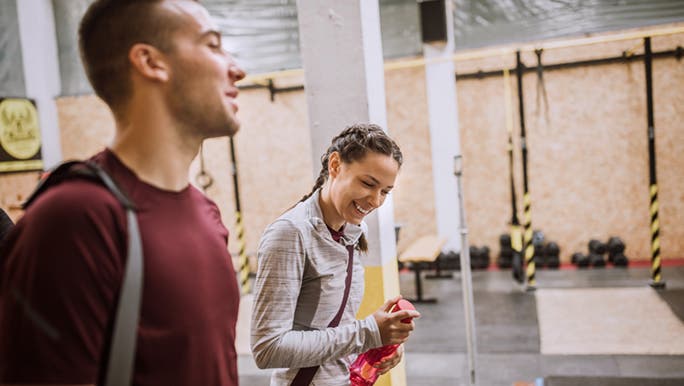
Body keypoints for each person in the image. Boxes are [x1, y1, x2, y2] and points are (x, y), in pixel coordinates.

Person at [0, 1, 245, 385]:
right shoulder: (75, 220)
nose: (237, 69)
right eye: (212, 45)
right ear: (150, 62)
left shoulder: (205, 213)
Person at [251, 123, 420, 385]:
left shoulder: (350, 231)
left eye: (385, 191)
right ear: (335, 165)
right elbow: (268, 348)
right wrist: (369, 332)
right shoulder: (290, 234)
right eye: (368, 183)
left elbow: (331, 332)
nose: (376, 201)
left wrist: (376, 347)